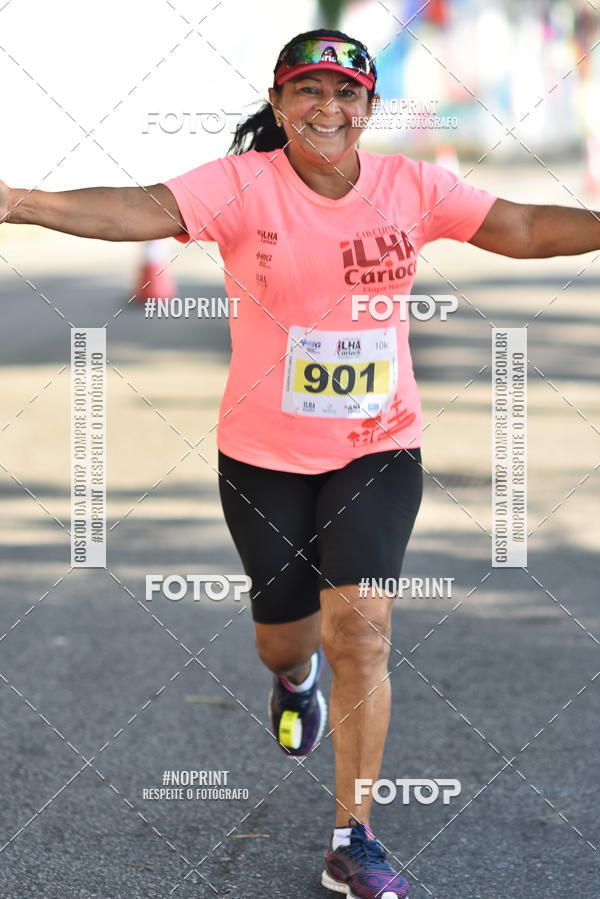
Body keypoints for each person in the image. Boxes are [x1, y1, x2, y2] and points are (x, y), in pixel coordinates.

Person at [3, 26, 600, 899]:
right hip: (263, 456)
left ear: (368, 109)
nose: (328, 108)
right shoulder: (242, 184)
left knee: (359, 628)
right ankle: (292, 676)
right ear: (279, 104)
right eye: (309, 92)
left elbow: (518, 224)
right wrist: (20, 201)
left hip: (378, 445)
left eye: (346, 94)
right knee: (284, 634)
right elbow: (137, 209)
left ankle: (353, 837)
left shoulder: (410, 185)